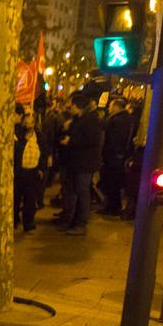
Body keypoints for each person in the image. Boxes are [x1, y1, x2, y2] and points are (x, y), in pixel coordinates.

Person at [57, 92, 102, 235]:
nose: (70, 108)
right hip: (75, 162)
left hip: (84, 163)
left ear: (77, 106)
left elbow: (92, 141)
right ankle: (72, 220)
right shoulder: (77, 119)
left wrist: (71, 141)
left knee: (82, 192)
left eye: (72, 105)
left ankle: (81, 223)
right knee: (74, 191)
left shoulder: (90, 120)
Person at [101, 96, 136, 216]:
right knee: (116, 182)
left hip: (114, 156)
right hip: (122, 155)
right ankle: (113, 206)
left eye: (111, 105)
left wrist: (108, 153)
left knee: (112, 182)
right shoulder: (130, 119)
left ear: (116, 107)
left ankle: (112, 207)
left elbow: (113, 139)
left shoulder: (116, 120)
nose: (109, 108)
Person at [15, 109, 43, 233]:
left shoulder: (40, 136)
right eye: (26, 122)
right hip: (20, 172)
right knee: (15, 198)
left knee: (30, 200)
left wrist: (41, 169)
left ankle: (28, 223)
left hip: (32, 172)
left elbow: (45, 153)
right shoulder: (18, 135)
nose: (28, 125)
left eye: (31, 122)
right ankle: (14, 220)